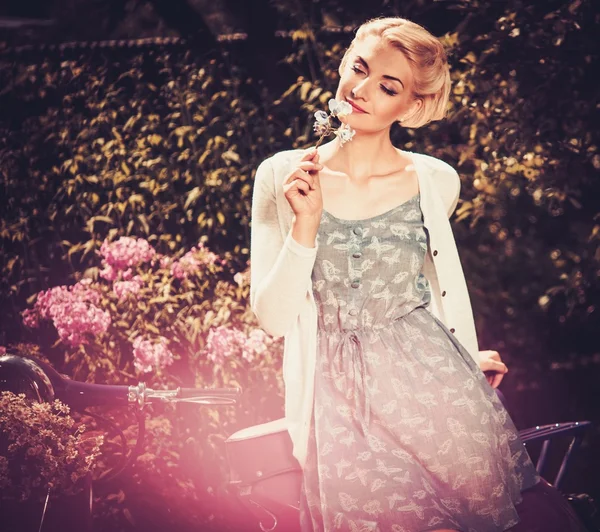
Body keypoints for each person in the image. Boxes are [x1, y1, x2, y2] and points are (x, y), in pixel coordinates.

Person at [249, 16, 587, 532]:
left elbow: (428, 292)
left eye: (388, 86)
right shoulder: (283, 175)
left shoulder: (435, 181)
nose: (362, 91)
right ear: (343, 64)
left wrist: (462, 355)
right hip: (336, 405)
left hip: (434, 393)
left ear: (412, 105)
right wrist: (305, 227)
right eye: (358, 69)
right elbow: (272, 318)